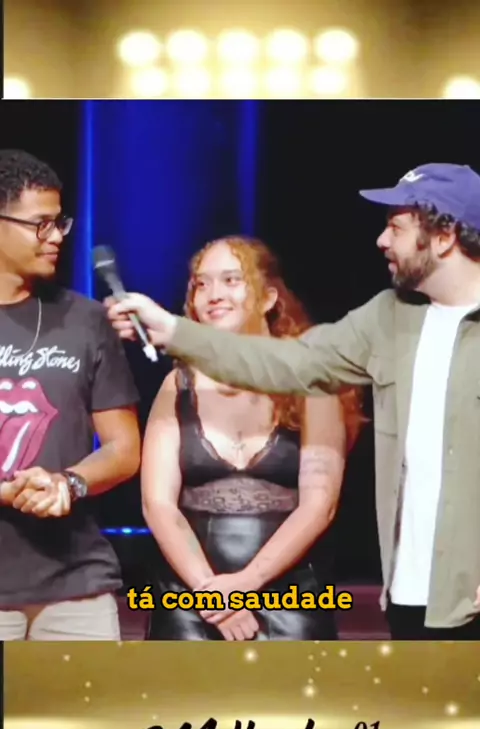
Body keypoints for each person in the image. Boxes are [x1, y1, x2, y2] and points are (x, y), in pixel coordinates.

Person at [108, 163, 480, 641]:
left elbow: (320, 502)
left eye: (397, 227)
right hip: (413, 594)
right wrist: (174, 331)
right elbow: (292, 363)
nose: (382, 240)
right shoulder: (389, 317)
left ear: (444, 236)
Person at [140, 237, 364, 641]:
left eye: (231, 280)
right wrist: (211, 594)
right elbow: (157, 504)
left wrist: (246, 583)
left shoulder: (311, 383)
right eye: (202, 283)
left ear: (269, 298)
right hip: (192, 597)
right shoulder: (177, 385)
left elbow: (320, 505)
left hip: (290, 598)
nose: (214, 294)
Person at [0, 149, 141, 641]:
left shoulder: (86, 320)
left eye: (60, 222)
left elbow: (125, 449)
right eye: (40, 224)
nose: (57, 236)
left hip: (77, 584)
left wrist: (69, 484)